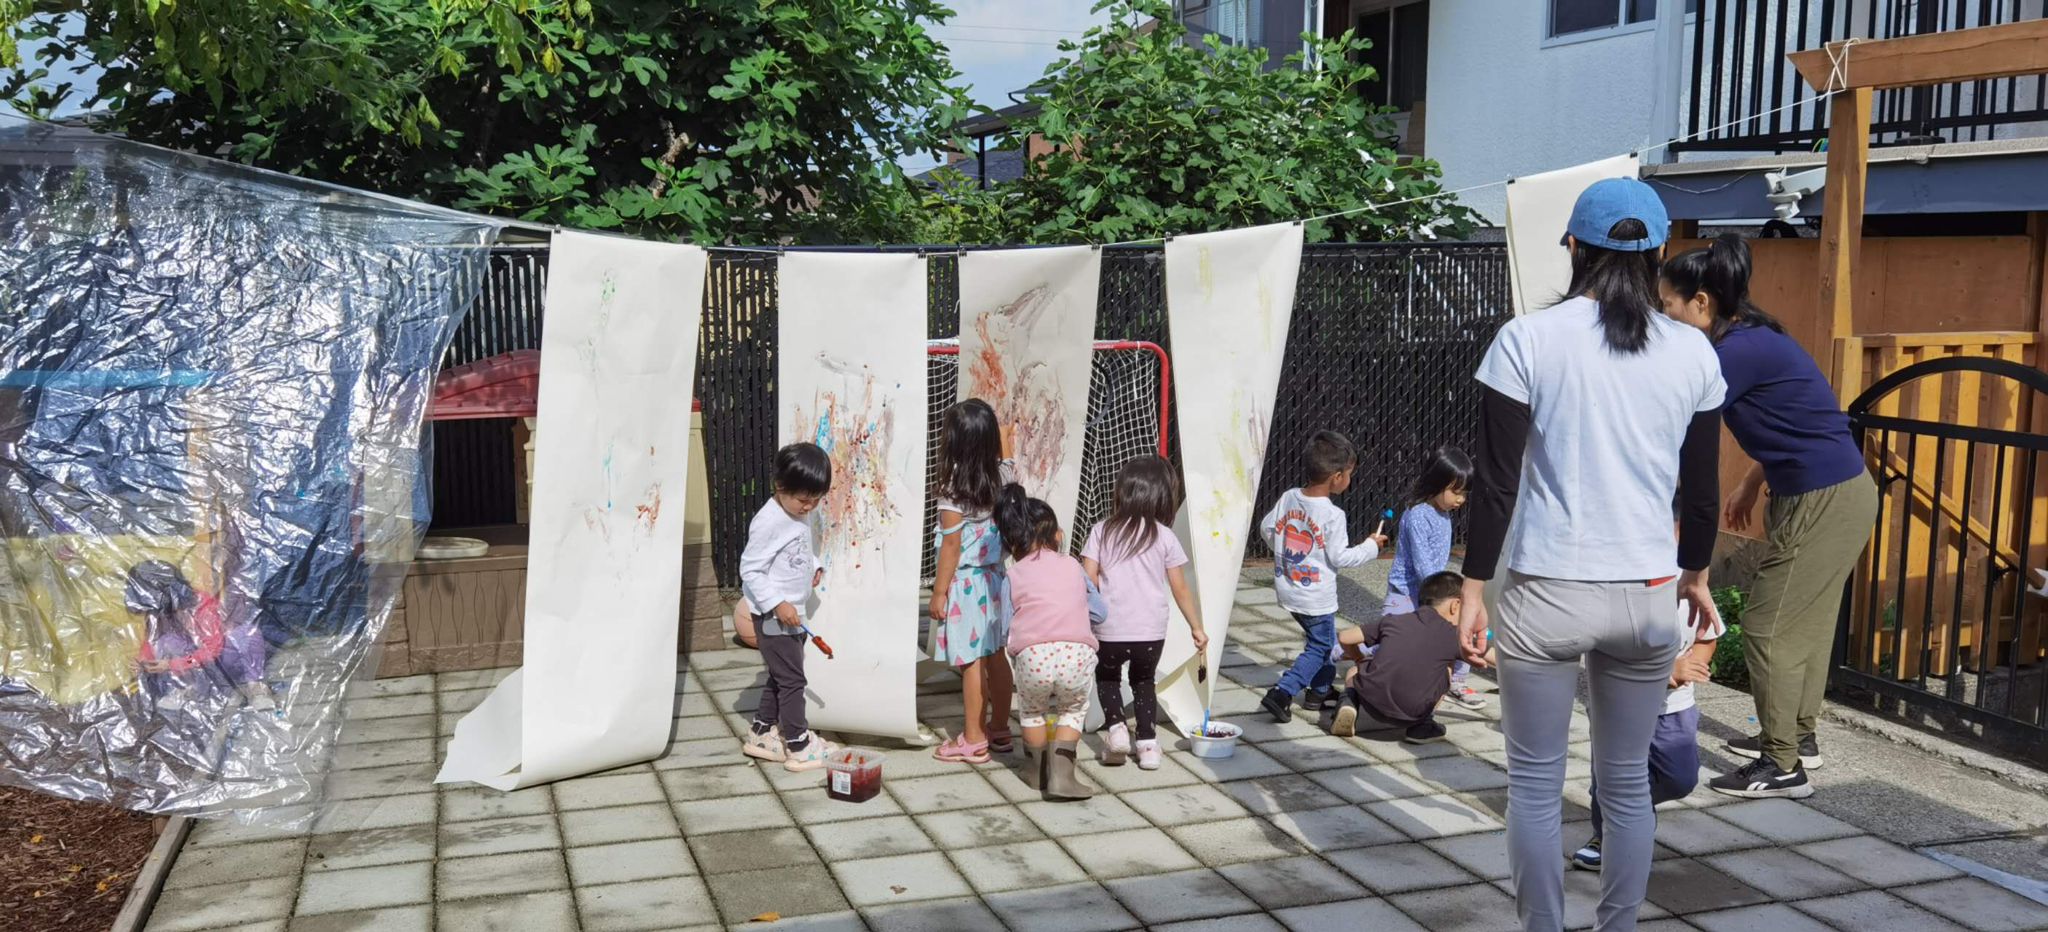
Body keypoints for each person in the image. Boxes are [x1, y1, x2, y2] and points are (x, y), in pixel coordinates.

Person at [1459, 177, 1725, 932]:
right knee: (1627, 788)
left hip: (1548, 591)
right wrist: (1696, 576)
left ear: (1575, 247)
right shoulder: (1693, 351)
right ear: (1659, 256)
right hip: (1646, 594)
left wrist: (1475, 587)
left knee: (1537, 788)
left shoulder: (1526, 340)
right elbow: (1701, 494)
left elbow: (1495, 486)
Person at [1661, 234, 1877, 800]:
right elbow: (1796, 417)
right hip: (1824, 492)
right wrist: (1752, 480)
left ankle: (1782, 765)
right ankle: (1798, 739)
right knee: (1802, 626)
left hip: (1824, 499)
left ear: (1701, 304)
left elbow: (1679, 425)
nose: (1664, 316)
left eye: (1668, 306)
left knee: (1767, 629)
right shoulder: (1750, 336)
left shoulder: (1732, 353)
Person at [1572, 528, 1724, 869]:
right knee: (1610, 772)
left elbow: (1709, 634)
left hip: (1675, 709)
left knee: (1681, 778)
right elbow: (1611, 644)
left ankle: (1625, 807)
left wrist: (1696, 661)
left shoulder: (1692, 584)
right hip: (1619, 704)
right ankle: (1607, 833)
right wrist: (1668, 668)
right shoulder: (1622, 583)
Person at [1081, 455, 1209, 770]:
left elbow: (1088, 577)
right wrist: (1196, 627)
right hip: (1151, 629)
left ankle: (1117, 729)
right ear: (1163, 495)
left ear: (1122, 492)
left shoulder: (1102, 530)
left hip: (1110, 626)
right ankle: (1149, 745)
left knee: (1108, 677)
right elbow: (1180, 588)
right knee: (1144, 681)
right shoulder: (1164, 536)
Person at [1257, 431, 1387, 723]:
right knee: (1320, 647)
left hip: (1289, 587)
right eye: (1350, 474)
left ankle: (1319, 692)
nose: (1350, 480)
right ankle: (1282, 692)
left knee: (1323, 641)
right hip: (1316, 596)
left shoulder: (1289, 496)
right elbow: (1341, 557)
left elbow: (1267, 528)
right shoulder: (1332, 514)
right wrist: (1370, 547)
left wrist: (1283, 554)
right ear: (1337, 476)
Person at [736, 442, 841, 773]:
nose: (809, 507)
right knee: (794, 680)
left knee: (782, 676)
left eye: (816, 500)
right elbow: (750, 568)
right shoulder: (769, 521)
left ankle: (762, 731)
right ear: (779, 487)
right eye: (803, 500)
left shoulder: (795, 512)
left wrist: (813, 564)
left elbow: (796, 548)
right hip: (774, 615)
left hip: (791, 610)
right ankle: (798, 743)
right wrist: (777, 603)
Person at [997, 484, 1102, 801]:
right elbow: (1100, 610)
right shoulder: (1073, 565)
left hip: (1033, 657)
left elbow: (1004, 625)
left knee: (1032, 712)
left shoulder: (1012, 575)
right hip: (1076, 654)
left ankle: (1035, 773)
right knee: (1072, 710)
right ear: (1056, 534)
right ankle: (1063, 778)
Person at [928, 399, 1018, 764]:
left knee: (970, 663)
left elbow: (950, 547)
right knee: (997, 657)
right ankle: (999, 728)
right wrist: (999, 429)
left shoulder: (953, 489)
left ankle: (973, 738)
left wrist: (938, 592)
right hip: (997, 581)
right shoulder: (1004, 476)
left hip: (966, 586)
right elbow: (1007, 455)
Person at [1383, 445, 1481, 710]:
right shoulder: (1417, 515)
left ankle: (1457, 681)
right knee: (1391, 641)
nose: (1460, 500)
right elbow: (1423, 565)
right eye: (1456, 492)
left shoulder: (1444, 514)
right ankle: (1351, 653)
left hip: (1433, 592)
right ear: (1437, 483)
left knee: (1462, 628)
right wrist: (1449, 592)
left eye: (1464, 494)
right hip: (1406, 592)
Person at [1331, 571, 1468, 744]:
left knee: (1354, 669)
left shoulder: (1394, 620)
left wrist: (1358, 658)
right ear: (1455, 605)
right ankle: (1422, 726)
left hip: (1371, 701)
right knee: (1447, 666)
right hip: (1413, 712)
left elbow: (1344, 637)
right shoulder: (1451, 635)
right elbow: (1489, 656)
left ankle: (1348, 703)